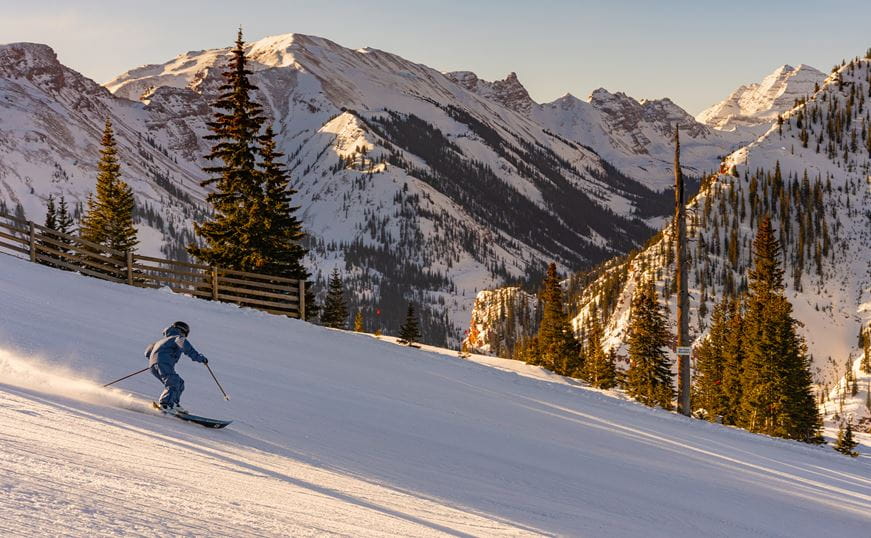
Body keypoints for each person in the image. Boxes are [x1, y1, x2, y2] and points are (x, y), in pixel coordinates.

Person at [144, 321, 208, 414]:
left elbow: (147, 353)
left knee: (179, 382)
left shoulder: (161, 340)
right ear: (183, 331)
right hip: (164, 363)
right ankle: (165, 404)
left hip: (154, 365)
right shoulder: (178, 337)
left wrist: (155, 361)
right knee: (173, 382)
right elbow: (186, 348)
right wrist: (200, 358)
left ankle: (174, 403)